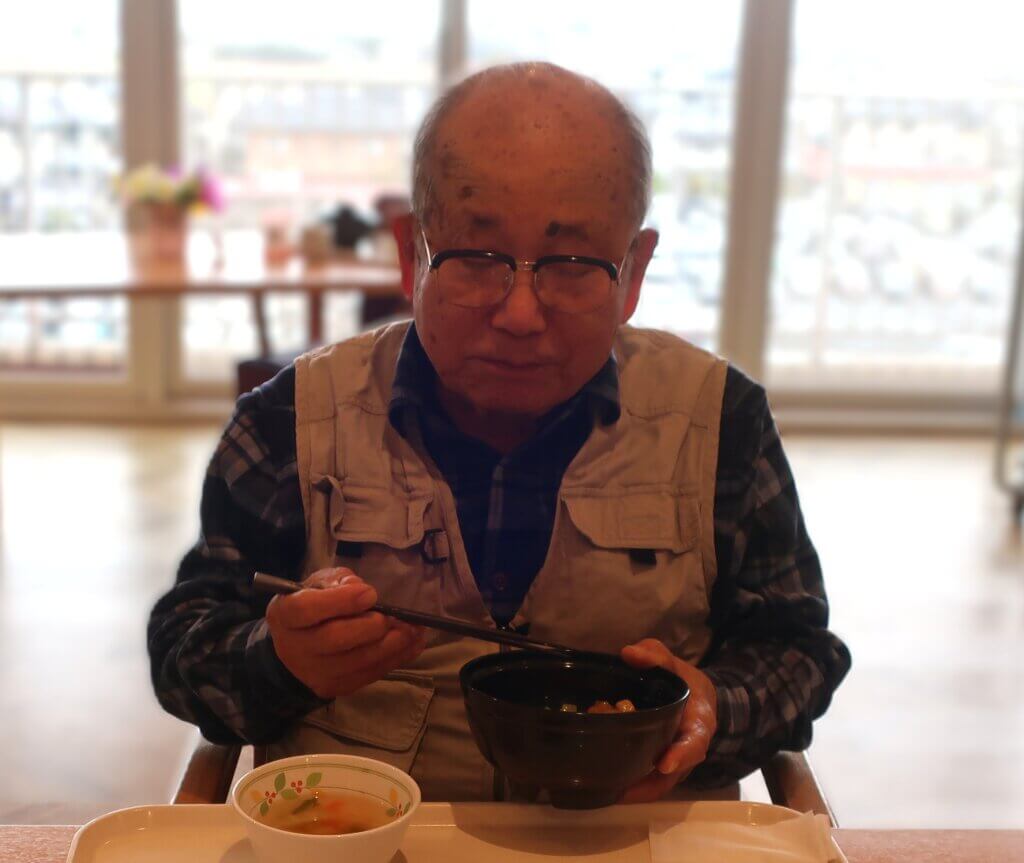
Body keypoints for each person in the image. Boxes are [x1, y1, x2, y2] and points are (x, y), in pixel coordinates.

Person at [149, 62, 850, 803]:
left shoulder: (719, 420)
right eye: (476, 258)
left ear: (634, 271)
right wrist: (278, 661)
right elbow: (186, 646)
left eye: (572, 264)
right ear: (410, 254)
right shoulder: (290, 419)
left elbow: (796, 650)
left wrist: (716, 708)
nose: (519, 313)